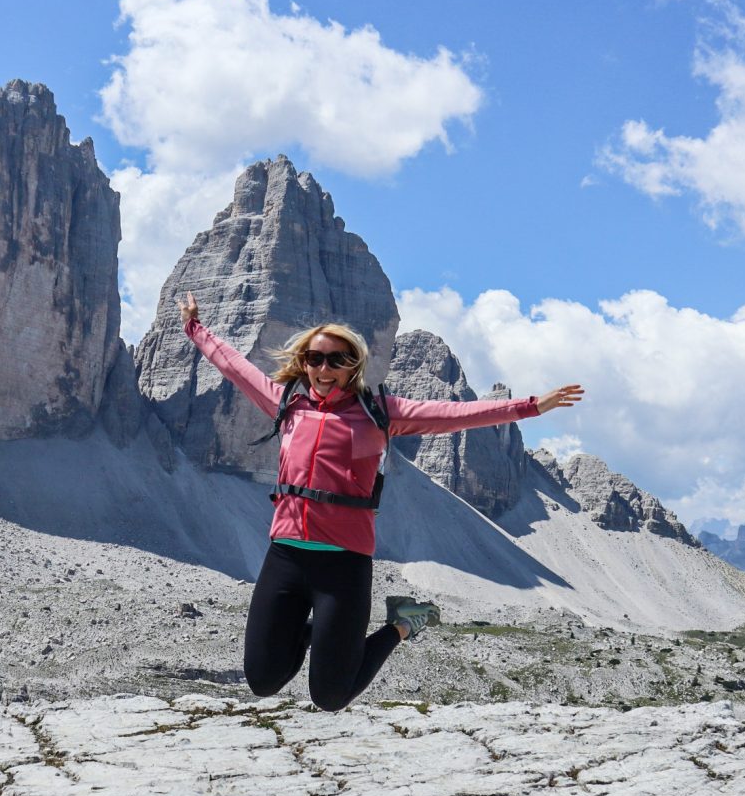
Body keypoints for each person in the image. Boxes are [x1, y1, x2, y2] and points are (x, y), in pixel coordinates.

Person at [178, 291, 584, 712]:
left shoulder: (381, 413)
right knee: (263, 681)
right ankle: (321, 629)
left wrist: (533, 407)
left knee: (331, 696)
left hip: (343, 564)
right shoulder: (288, 404)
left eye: (336, 359)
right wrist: (195, 326)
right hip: (285, 558)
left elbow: (458, 415)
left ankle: (404, 624)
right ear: (303, 363)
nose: (324, 368)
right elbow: (234, 366)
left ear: (353, 365)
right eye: (315, 359)